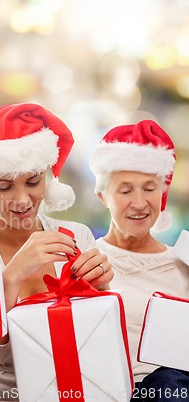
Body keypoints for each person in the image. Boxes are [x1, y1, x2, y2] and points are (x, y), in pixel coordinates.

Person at [0, 102, 114, 401]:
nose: (21, 200)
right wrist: (11, 278)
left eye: (33, 182)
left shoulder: (76, 237)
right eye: (4, 187)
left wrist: (103, 292)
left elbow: (97, 348)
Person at [89, 120, 189, 401]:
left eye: (149, 188)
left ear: (163, 192)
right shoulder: (87, 261)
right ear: (102, 196)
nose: (139, 203)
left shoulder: (183, 265)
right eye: (125, 190)